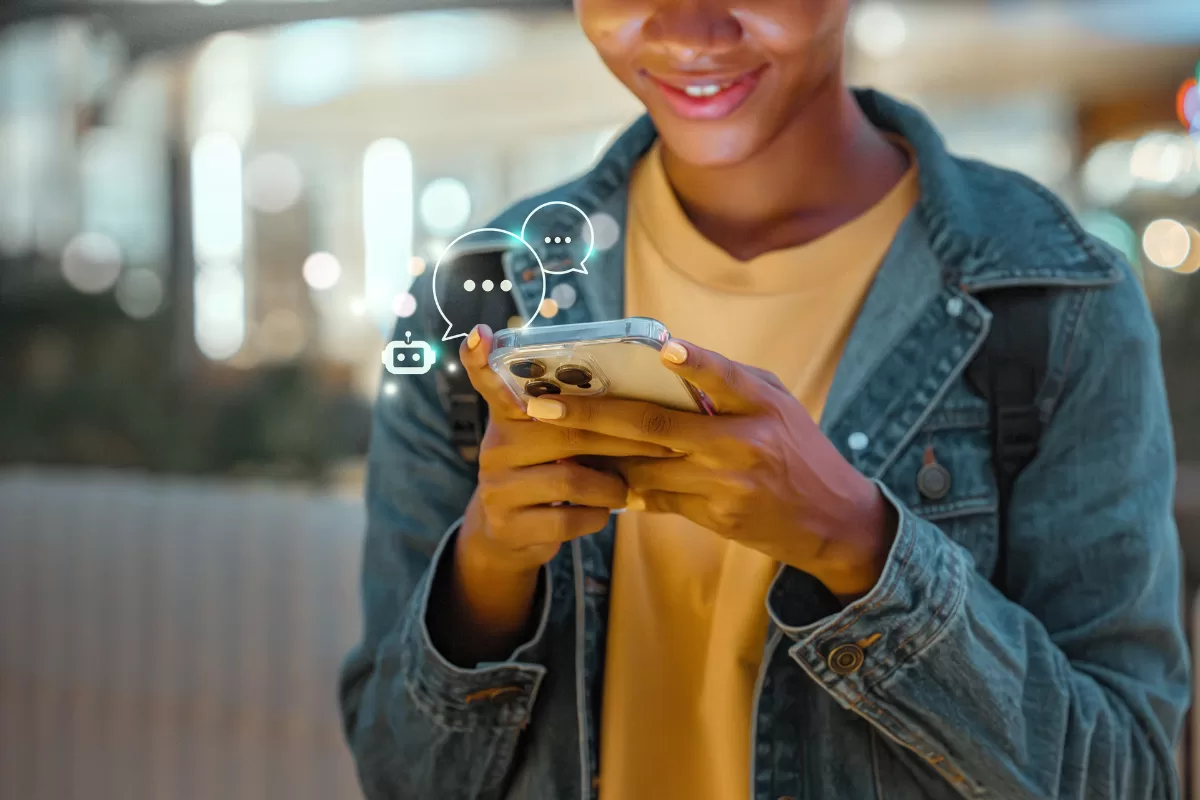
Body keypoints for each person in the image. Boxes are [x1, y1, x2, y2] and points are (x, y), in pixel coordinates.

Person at [338, 0, 1191, 797]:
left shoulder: (1052, 299)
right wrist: (487, 567)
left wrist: (860, 545)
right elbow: (397, 771)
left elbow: (1128, 774)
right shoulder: (475, 298)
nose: (691, 31)